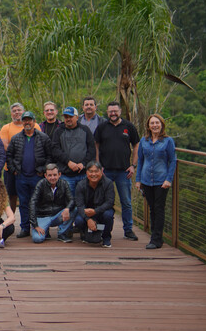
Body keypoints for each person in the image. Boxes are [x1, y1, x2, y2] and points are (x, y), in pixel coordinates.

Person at [95, 101, 140, 241]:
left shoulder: (128, 126)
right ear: (107, 113)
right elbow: (96, 145)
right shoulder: (102, 127)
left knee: (125, 202)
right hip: (105, 171)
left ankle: (128, 230)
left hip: (123, 171)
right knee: (101, 201)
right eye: (110, 111)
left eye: (115, 111)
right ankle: (101, 229)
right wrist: (98, 165)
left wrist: (133, 165)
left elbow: (137, 144)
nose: (113, 113)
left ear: (120, 111)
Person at [6, 111, 52, 238]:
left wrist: (44, 170)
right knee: (24, 203)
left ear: (34, 121)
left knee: (39, 202)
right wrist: (13, 169)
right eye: (24, 120)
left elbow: (49, 156)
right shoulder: (16, 138)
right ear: (22, 122)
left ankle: (40, 227)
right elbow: (9, 155)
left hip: (37, 176)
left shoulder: (43, 137)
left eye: (29, 120)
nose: (27, 122)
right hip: (21, 177)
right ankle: (25, 228)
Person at [136, 114, 176, 250]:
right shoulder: (144, 141)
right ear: (148, 126)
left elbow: (173, 161)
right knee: (152, 208)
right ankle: (156, 236)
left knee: (159, 209)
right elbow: (140, 160)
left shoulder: (168, 141)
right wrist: (138, 180)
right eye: (152, 123)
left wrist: (168, 179)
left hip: (161, 180)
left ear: (161, 124)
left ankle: (156, 239)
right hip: (146, 180)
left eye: (157, 123)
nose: (155, 125)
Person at [0, 103, 42, 212]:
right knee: (12, 195)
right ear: (11, 114)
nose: (17, 112)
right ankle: (11, 219)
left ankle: (33, 220)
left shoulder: (35, 126)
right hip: (12, 168)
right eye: (14, 111)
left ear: (23, 112)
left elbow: (39, 145)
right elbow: (5, 146)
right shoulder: (6, 128)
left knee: (33, 195)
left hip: (32, 168)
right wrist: (21, 154)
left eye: (19, 110)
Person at [51, 106, 96, 194]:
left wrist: (83, 164)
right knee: (69, 201)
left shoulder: (85, 130)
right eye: (66, 117)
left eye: (71, 117)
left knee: (84, 200)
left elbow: (91, 149)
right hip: (66, 174)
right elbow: (55, 150)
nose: (68, 119)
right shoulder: (59, 131)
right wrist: (68, 162)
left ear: (77, 117)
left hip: (83, 173)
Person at [29, 164, 75, 244]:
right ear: (45, 176)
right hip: (42, 216)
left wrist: (67, 209)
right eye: (49, 175)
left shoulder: (64, 183)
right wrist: (35, 225)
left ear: (59, 174)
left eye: (55, 175)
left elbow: (72, 199)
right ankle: (45, 231)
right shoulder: (41, 184)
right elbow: (32, 203)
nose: (52, 178)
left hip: (58, 215)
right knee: (37, 239)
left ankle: (62, 234)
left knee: (74, 209)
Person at [74, 161, 116, 248]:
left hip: (101, 212)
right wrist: (88, 219)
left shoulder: (108, 183)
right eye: (91, 171)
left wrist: (95, 211)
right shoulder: (80, 185)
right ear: (86, 173)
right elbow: (79, 205)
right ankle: (85, 232)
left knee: (108, 215)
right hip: (87, 213)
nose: (93, 174)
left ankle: (106, 237)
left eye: (96, 171)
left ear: (101, 171)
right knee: (78, 220)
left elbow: (110, 202)